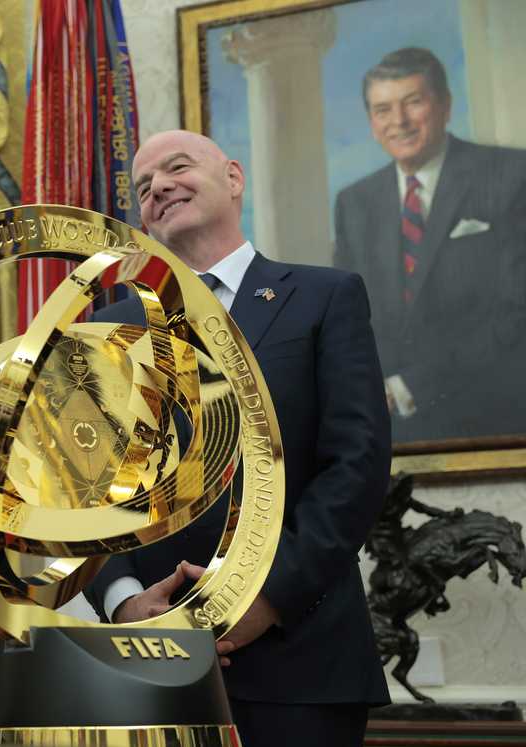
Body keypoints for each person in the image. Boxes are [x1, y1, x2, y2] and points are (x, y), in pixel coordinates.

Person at [85, 130, 391, 747]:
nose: (158, 187)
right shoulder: (106, 327)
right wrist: (123, 600)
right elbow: (85, 484)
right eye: (144, 187)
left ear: (233, 178)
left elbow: (355, 463)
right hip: (154, 662)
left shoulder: (324, 298)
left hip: (299, 659)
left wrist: (268, 597)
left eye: (177, 167)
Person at [334, 47, 526, 444]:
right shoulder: (354, 203)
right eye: (383, 110)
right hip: (387, 430)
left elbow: (517, 311)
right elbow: (347, 317)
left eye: (413, 102)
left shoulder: (512, 175)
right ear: (372, 122)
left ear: (446, 106)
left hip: (496, 420)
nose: (399, 121)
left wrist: (410, 386)